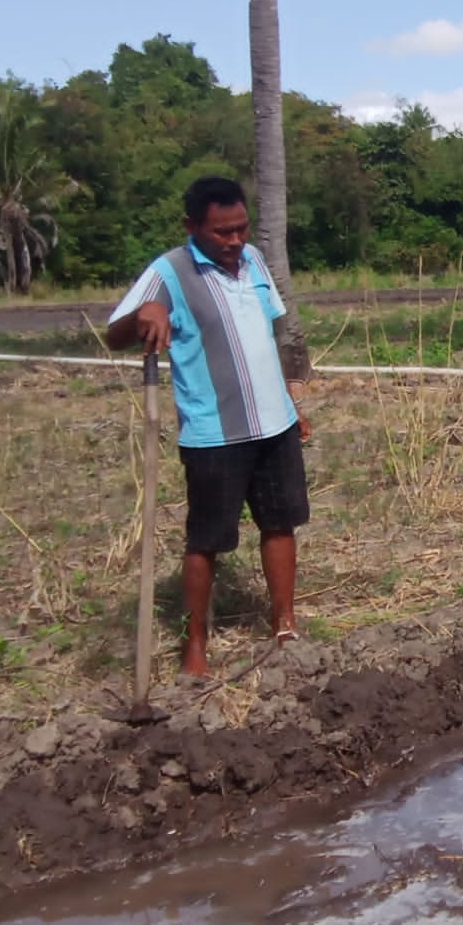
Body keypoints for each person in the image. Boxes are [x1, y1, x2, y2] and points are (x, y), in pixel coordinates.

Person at [107, 176, 311, 676]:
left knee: (280, 522)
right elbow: (114, 336)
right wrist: (145, 313)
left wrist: (291, 400)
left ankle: (284, 622)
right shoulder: (168, 273)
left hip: (275, 424)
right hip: (214, 433)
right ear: (192, 226)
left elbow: (266, 336)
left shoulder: (255, 261)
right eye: (222, 232)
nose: (235, 240)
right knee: (207, 540)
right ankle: (194, 646)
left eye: (240, 228)